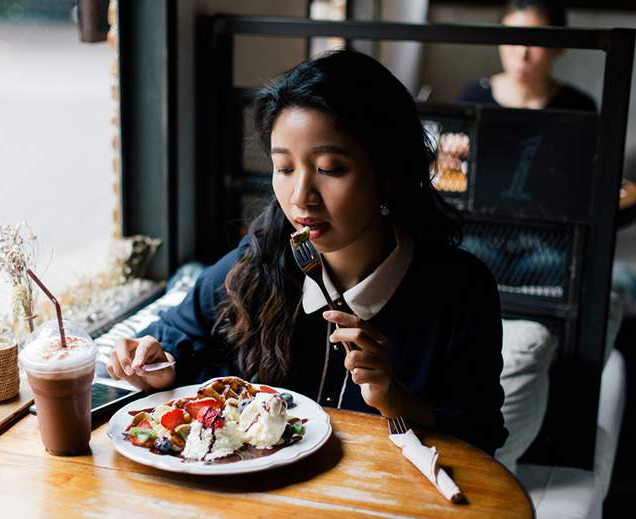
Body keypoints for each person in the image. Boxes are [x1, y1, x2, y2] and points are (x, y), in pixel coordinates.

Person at [108, 49, 508, 455]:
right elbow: (174, 334)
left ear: (387, 173)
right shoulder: (261, 258)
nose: (300, 197)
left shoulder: (460, 290)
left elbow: (483, 435)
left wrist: (396, 399)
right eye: (285, 168)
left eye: (330, 168)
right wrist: (157, 362)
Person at [460, 0, 596, 112]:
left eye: (535, 42)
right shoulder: (472, 100)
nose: (522, 54)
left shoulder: (580, 108)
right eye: (511, 39)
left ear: (559, 48)